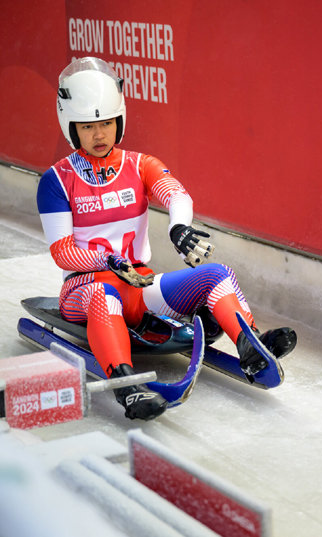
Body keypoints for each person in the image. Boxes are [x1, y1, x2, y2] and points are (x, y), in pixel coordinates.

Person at [38, 57, 296, 420]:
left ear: (120, 120)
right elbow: (63, 252)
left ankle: (250, 343)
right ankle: (127, 388)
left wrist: (179, 226)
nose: (100, 135)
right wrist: (106, 262)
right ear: (71, 126)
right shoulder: (56, 180)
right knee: (103, 294)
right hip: (84, 290)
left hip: (139, 285)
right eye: (88, 126)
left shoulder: (139, 164)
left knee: (216, 274)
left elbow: (176, 194)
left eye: (108, 123)